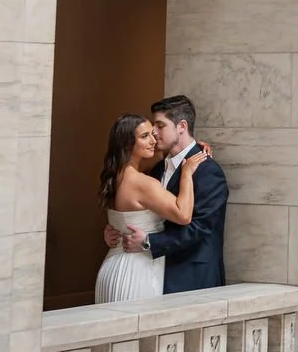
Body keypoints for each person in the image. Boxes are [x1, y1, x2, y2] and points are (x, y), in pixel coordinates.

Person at [116, 95, 229, 293]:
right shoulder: (158, 168)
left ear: (182, 126)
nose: (154, 133)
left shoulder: (208, 171)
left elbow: (200, 227)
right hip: (155, 273)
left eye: (160, 126)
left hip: (193, 277)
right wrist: (116, 230)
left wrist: (149, 242)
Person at [95, 114, 207, 303]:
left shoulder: (114, 177)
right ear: (128, 143)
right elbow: (183, 215)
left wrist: (197, 146)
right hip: (135, 271)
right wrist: (186, 173)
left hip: (112, 267)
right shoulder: (142, 183)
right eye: (145, 136)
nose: (153, 140)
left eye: (153, 134)